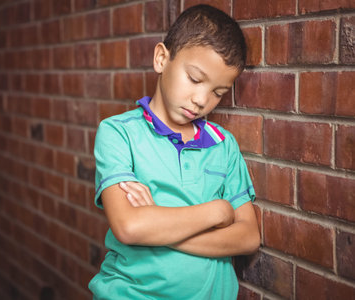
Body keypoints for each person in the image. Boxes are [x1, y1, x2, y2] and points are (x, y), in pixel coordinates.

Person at [89, 4, 260, 300]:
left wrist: (158, 225)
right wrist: (216, 211)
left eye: (218, 93)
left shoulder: (224, 144)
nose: (201, 99)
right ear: (162, 59)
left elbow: (248, 237)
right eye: (194, 79)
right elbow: (129, 227)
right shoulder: (118, 133)